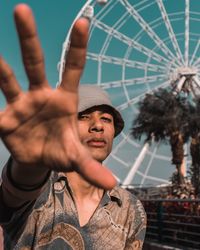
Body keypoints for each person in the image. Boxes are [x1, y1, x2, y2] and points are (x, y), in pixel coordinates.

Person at [0, 4, 146, 249]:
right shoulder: (37, 191)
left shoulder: (131, 209)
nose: (98, 126)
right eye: (84, 117)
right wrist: (30, 163)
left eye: (106, 120)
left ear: (114, 132)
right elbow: (16, 191)